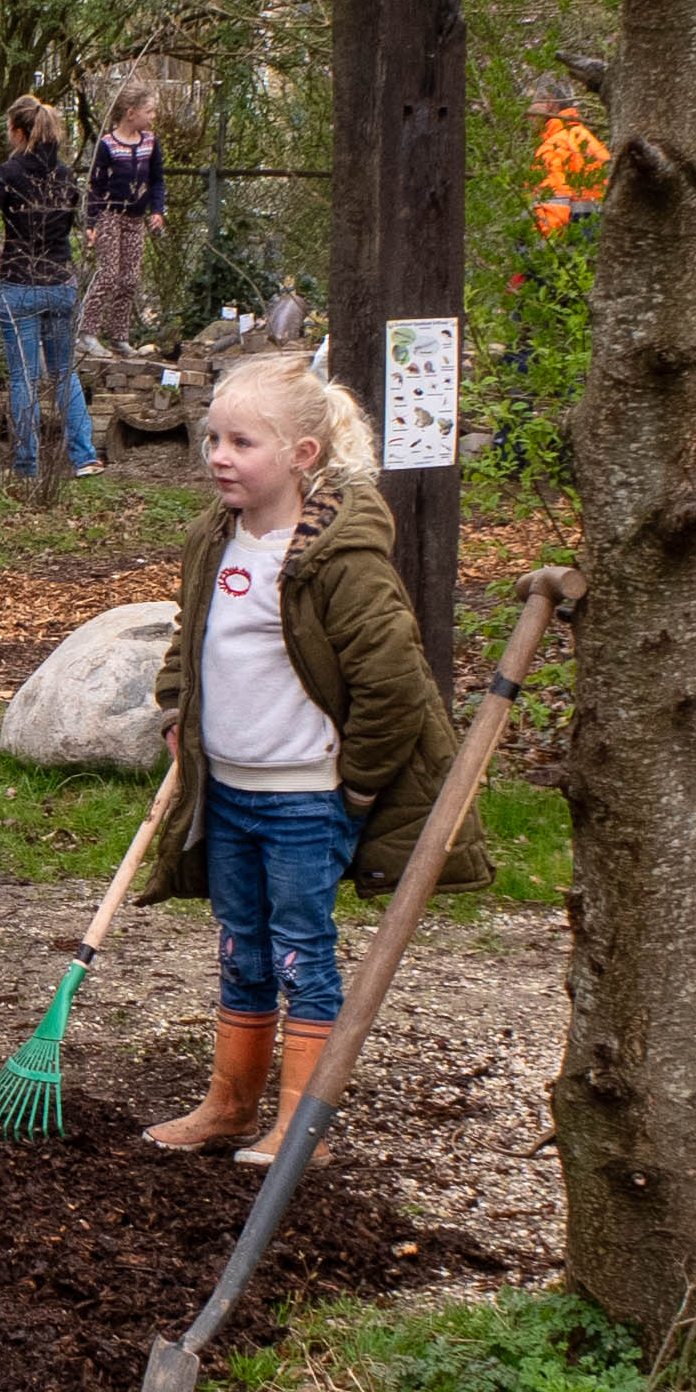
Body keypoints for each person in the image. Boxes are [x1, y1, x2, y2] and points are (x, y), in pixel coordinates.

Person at [136, 353, 458, 1166]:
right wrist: (177, 706)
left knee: (298, 951)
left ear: (301, 456)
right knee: (239, 943)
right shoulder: (215, 538)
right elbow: (191, 633)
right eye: (212, 437)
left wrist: (352, 791)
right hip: (230, 791)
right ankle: (230, 1103)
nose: (217, 455)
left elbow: (394, 685)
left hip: (305, 798)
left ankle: (298, 1126)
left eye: (241, 441)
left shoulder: (336, 557)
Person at [0, 96, 97, 482]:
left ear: (20, 132)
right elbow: (79, 219)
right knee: (63, 372)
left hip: (20, 283)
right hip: (60, 280)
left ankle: (27, 462)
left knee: (23, 376)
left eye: (10, 129)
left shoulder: (8, 174)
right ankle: (84, 456)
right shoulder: (65, 175)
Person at [78, 78, 169, 355]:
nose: (153, 117)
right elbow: (95, 186)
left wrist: (157, 210)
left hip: (135, 218)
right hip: (110, 215)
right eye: (149, 111)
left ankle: (119, 335)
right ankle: (87, 331)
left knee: (129, 278)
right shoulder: (107, 145)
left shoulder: (150, 143)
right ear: (131, 113)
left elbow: (157, 180)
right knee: (108, 275)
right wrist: (91, 223)